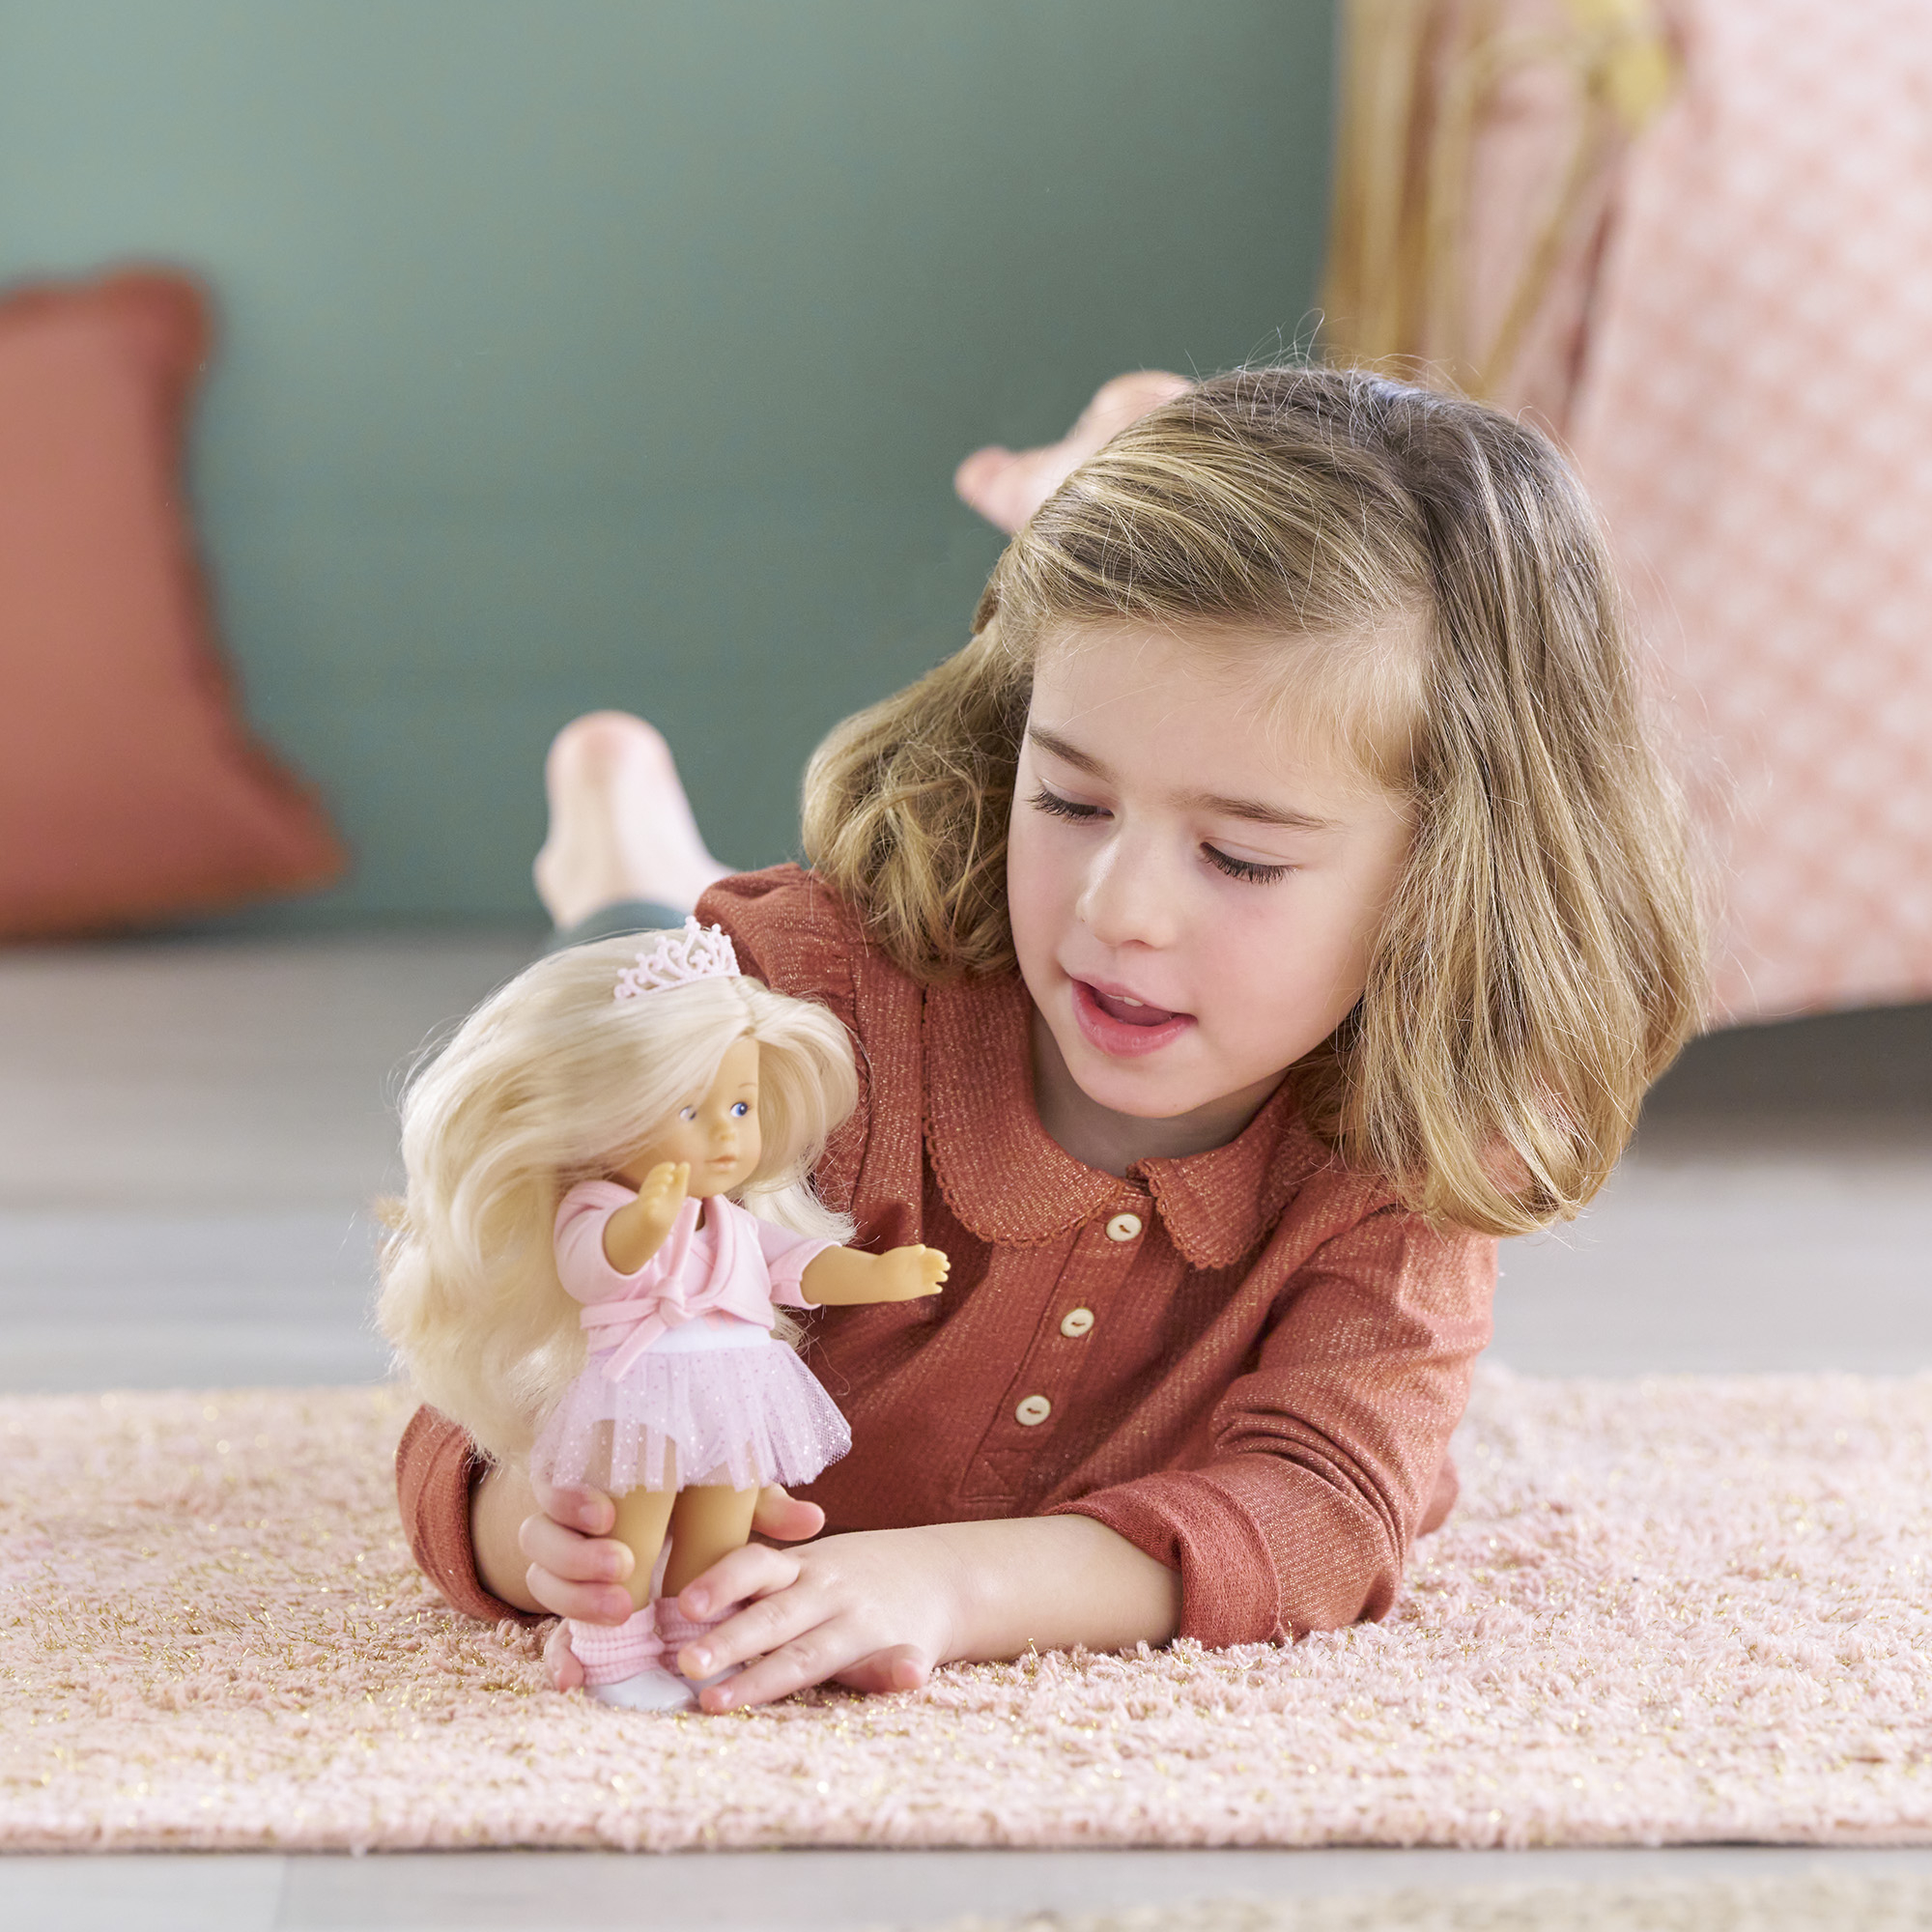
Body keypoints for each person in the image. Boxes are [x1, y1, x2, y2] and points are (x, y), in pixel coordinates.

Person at [395, 363, 1706, 1715]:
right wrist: (540, 1526)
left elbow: (1327, 1509)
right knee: (624, 972)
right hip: (677, 1002)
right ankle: (618, 856)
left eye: (1240, 858)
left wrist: (948, 1586)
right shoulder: (798, 1011)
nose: (1118, 912)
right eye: (1072, 802)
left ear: (1450, 880)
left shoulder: (1417, 1140)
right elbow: (477, 1391)